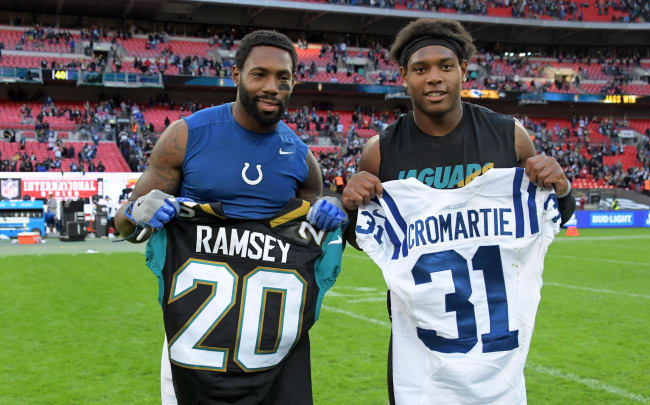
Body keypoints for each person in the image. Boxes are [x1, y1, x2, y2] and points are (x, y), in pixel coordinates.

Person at [337, 18, 575, 404]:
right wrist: (350, 207)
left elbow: (549, 215)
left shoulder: (508, 135)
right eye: (421, 69)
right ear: (404, 77)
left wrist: (561, 188)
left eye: (445, 66)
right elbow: (365, 240)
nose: (434, 78)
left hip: (496, 340)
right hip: (418, 341)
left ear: (463, 70)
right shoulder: (380, 150)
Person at [114, 30, 345, 404]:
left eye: (283, 78)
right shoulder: (187, 136)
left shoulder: (300, 158)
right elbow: (125, 226)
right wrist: (138, 210)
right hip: (194, 342)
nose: (272, 86)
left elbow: (318, 222)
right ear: (236, 74)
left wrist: (332, 208)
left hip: (271, 347)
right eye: (260, 74)